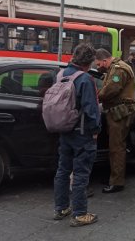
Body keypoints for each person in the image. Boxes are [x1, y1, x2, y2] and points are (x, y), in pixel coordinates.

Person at [53, 43, 100, 227]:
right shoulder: (85, 79)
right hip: (82, 133)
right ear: (88, 62)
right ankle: (80, 214)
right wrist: (95, 130)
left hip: (64, 131)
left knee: (63, 170)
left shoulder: (60, 74)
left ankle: (61, 208)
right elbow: (91, 110)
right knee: (80, 174)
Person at [96, 48, 135, 193]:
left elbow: (111, 89)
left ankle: (117, 182)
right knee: (113, 146)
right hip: (115, 112)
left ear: (105, 60)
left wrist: (95, 96)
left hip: (120, 113)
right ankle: (113, 177)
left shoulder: (119, 69)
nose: (98, 66)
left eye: (99, 64)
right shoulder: (114, 68)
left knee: (117, 148)